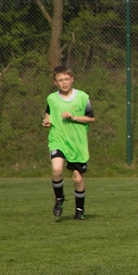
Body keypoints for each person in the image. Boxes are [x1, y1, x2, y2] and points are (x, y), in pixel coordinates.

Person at [41, 66, 95, 220]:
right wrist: (47, 121)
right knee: (57, 170)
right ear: (55, 82)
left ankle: (80, 209)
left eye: (66, 79)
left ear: (72, 79)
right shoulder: (51, 98)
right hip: (57, 139)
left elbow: (91, 118)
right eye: (60, 80)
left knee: (78, 179)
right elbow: (49, 112)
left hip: (77, 143)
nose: (64, 83)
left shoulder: (83, 97)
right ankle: (59, 199)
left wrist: (74, 117)